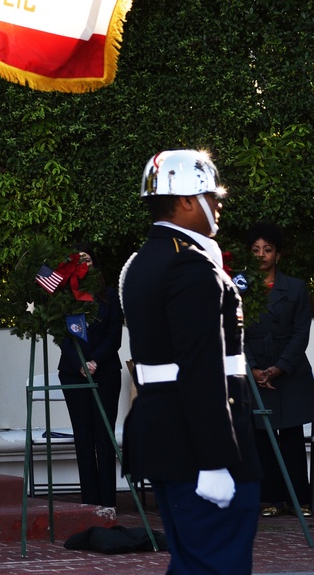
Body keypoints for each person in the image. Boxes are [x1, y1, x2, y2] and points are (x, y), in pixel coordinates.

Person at [121, 149, 260, 575]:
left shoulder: (142, 261)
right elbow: (200, 367)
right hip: (200, 445)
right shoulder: (189, 264)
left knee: (195, 562)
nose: (218, 203)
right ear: (184, 200)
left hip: (170, 437)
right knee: (218, 563)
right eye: (210, 195)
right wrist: (215, 458)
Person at [243, 221, 314, 517]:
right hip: (257, 370)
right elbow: (233, 333)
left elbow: (301, 334)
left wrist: (281, 367)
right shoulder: (238, 288)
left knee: (293, 437)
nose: (262, 255)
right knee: (263, 437)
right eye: (256, 250)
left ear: (278, 255)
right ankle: (271, 498)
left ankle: (300, 499)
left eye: (267, 249)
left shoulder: (296, 288)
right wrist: (253, 369)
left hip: (290, 371)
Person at [56, 246, 123, 516]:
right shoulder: (64, 297)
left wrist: (94, 360)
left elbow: (114, 335)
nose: (84, 264)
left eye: (88, 259)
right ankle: (90, 503)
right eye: (78, 260)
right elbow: (62, 336)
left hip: (105, 371)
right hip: (74, 372)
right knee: (83, 437)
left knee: (103, 437)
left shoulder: (109, 296)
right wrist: (80, 363)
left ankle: (108, 503)